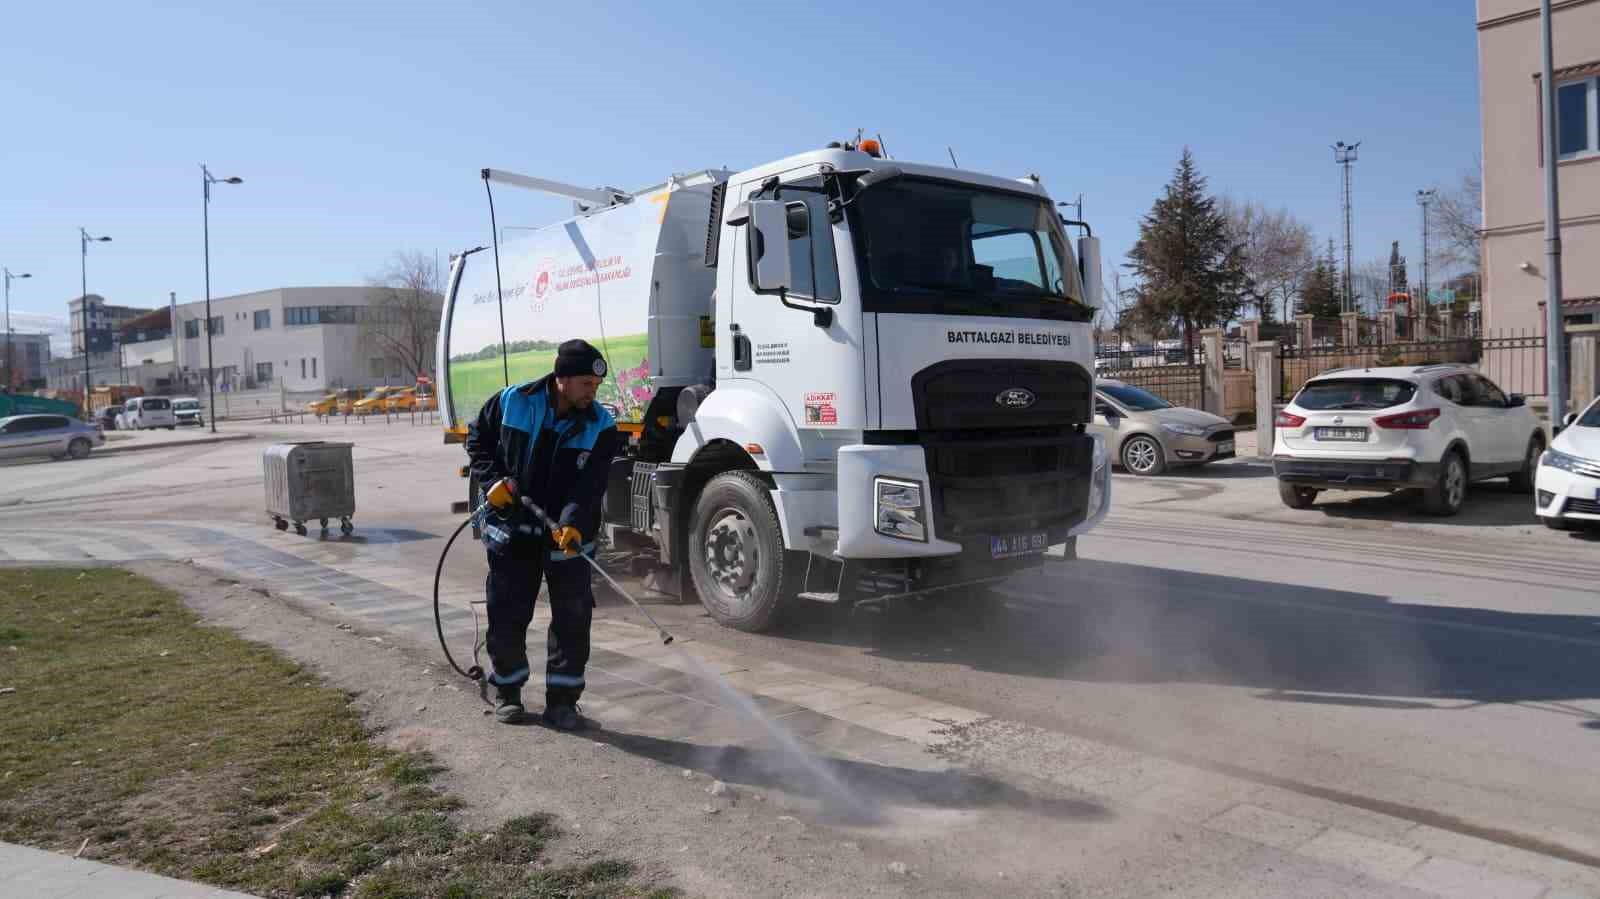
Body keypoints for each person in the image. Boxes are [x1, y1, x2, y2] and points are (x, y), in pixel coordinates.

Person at [464, 339, 621, 728]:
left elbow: (591, 486)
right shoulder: (513, 401)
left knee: (572, 616)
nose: (592, 393)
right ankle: (508, 692)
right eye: (586, 384)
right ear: (562, 379)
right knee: (508, 612)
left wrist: (571, 521)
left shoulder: (600, 424)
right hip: (513, 528)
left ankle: (563, 704)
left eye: (596, 386)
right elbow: (477, 440)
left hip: (566, 534)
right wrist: (491, 482)